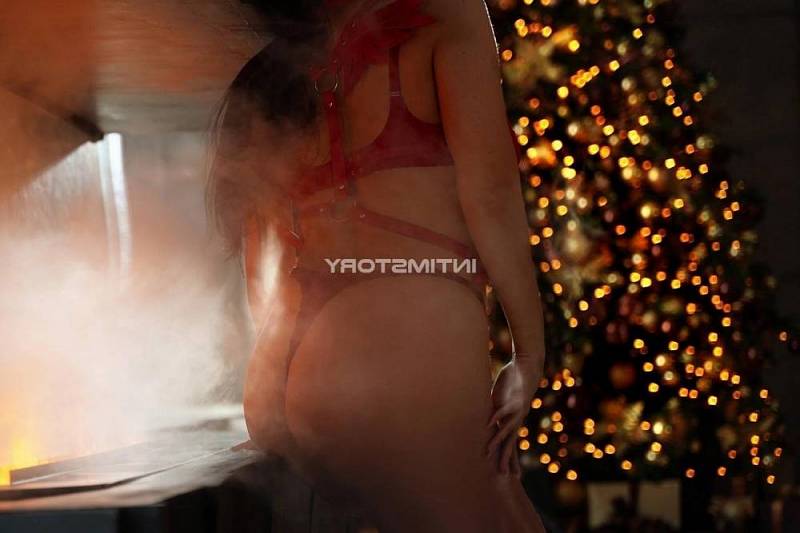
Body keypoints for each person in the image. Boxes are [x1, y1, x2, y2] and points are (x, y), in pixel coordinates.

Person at [206, 0, 548, 530]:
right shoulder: (447, 12)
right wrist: (529, 353)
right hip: (399, 348)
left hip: (292, 373)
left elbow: (263, 269)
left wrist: (278, 394)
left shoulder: (287, 56)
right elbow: (491, 193)